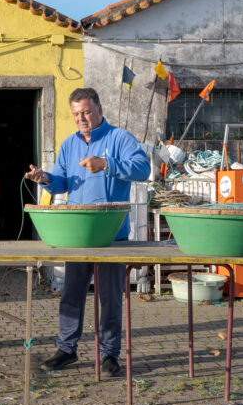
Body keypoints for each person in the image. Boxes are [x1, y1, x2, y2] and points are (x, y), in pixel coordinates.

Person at [24, 87, 151, 377]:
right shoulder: (69, 144)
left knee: (110, 297)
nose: (81, 118)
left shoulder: (119, 138)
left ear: (99, 109)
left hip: (110, 236)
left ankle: (109, 355)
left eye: (86, 112)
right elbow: (62, 183)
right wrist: (45, 179)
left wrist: (106, 164)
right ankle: (67, 349)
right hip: (77, 234)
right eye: (76, 114)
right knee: (72, 293)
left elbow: (143, 169)